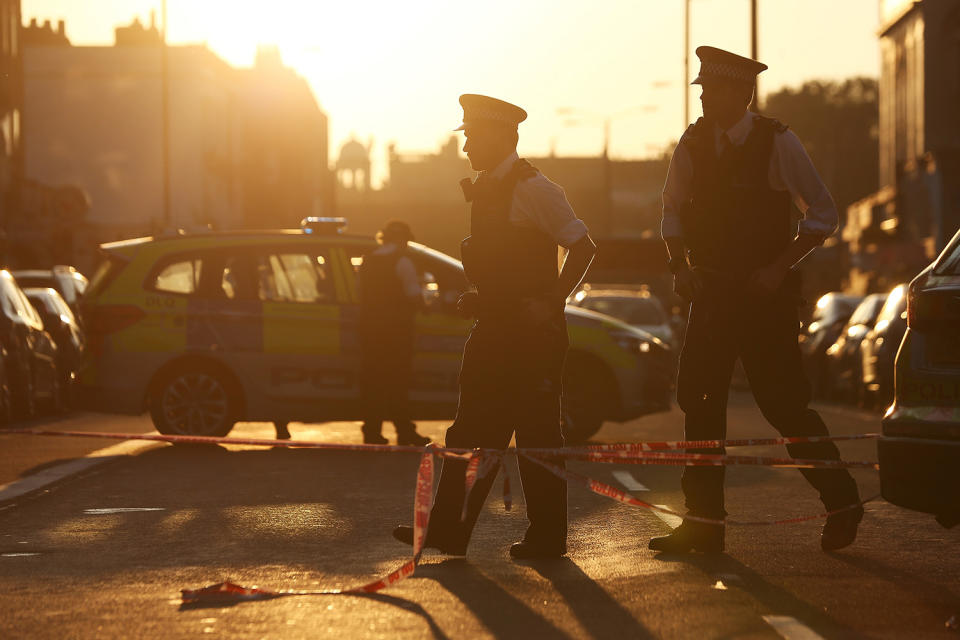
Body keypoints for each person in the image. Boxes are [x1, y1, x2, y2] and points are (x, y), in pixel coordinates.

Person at [649, 47, 863, 554]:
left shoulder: (777, 141)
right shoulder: (693, 143)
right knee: (699, 405)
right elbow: (671, 210)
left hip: (764, 297)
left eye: (713, 89)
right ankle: (703, 523)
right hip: (712, 293)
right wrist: (679, 265)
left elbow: (823, 213)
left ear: (741, 93)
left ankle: (842, 500)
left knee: (784, 406)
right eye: (701, 89)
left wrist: (777, 268)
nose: (702, 97)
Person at [393, 94, 597, 559]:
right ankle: (448, 531)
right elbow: (506, 268)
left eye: (473, 136)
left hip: (532, 338)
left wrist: (551, 302)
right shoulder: (488, 189)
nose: (466, 146)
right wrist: (481, 298)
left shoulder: (536, 188)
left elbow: (583, 248)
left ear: (504, 136)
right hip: (494, 329)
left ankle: (548, 539)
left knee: (537, 436)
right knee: (469, 433)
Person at [358, 220, 431, 447]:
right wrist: (426, 308)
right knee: (398, 382)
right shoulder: (402, 261)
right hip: (397, 332)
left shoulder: (368, 261)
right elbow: (413, 294)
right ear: (402, 240)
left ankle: (372, 432)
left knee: (373, 382)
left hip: (370, 331)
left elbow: (359, 292)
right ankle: (405, 431)